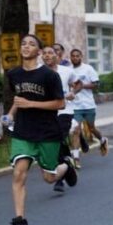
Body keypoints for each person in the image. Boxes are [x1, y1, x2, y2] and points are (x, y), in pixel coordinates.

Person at [4, 34, 76, 225]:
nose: (26, 46)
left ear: (39, 51)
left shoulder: (49, 76)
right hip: (23, 132)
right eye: (23, 43)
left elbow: (60, 104)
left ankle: (66, 166)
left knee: (49, 177)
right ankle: (20, 223)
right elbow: (18, 100)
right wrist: (10, 115)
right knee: (19, 173)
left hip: (47, 132)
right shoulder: (14, 74)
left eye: (32, 44)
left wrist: (32, 104)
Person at [39, 45, 79, 192]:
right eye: (45, 53)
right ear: (41, 56)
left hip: (64, 111)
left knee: (56, 139)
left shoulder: (67, 71)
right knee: (56, 141)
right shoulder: (38, 72)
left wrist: (72, 92)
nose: (48, 55)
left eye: (51, 53)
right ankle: (67, 162)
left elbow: (77, 83)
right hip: (47, 113)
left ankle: (60, 179)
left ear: (57, 55)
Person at [68, 48, 108, 161]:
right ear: (70, 57)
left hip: (88, 105)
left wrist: (81, 85)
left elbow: (96, 84)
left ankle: (102, 139)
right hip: (75, 106)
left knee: (91, 128)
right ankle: (76, 157)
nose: (75, 58)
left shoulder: (88, 69)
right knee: (75, 129)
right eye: (73, 56)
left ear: (81, 57)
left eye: (77, 56)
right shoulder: (68, 70)